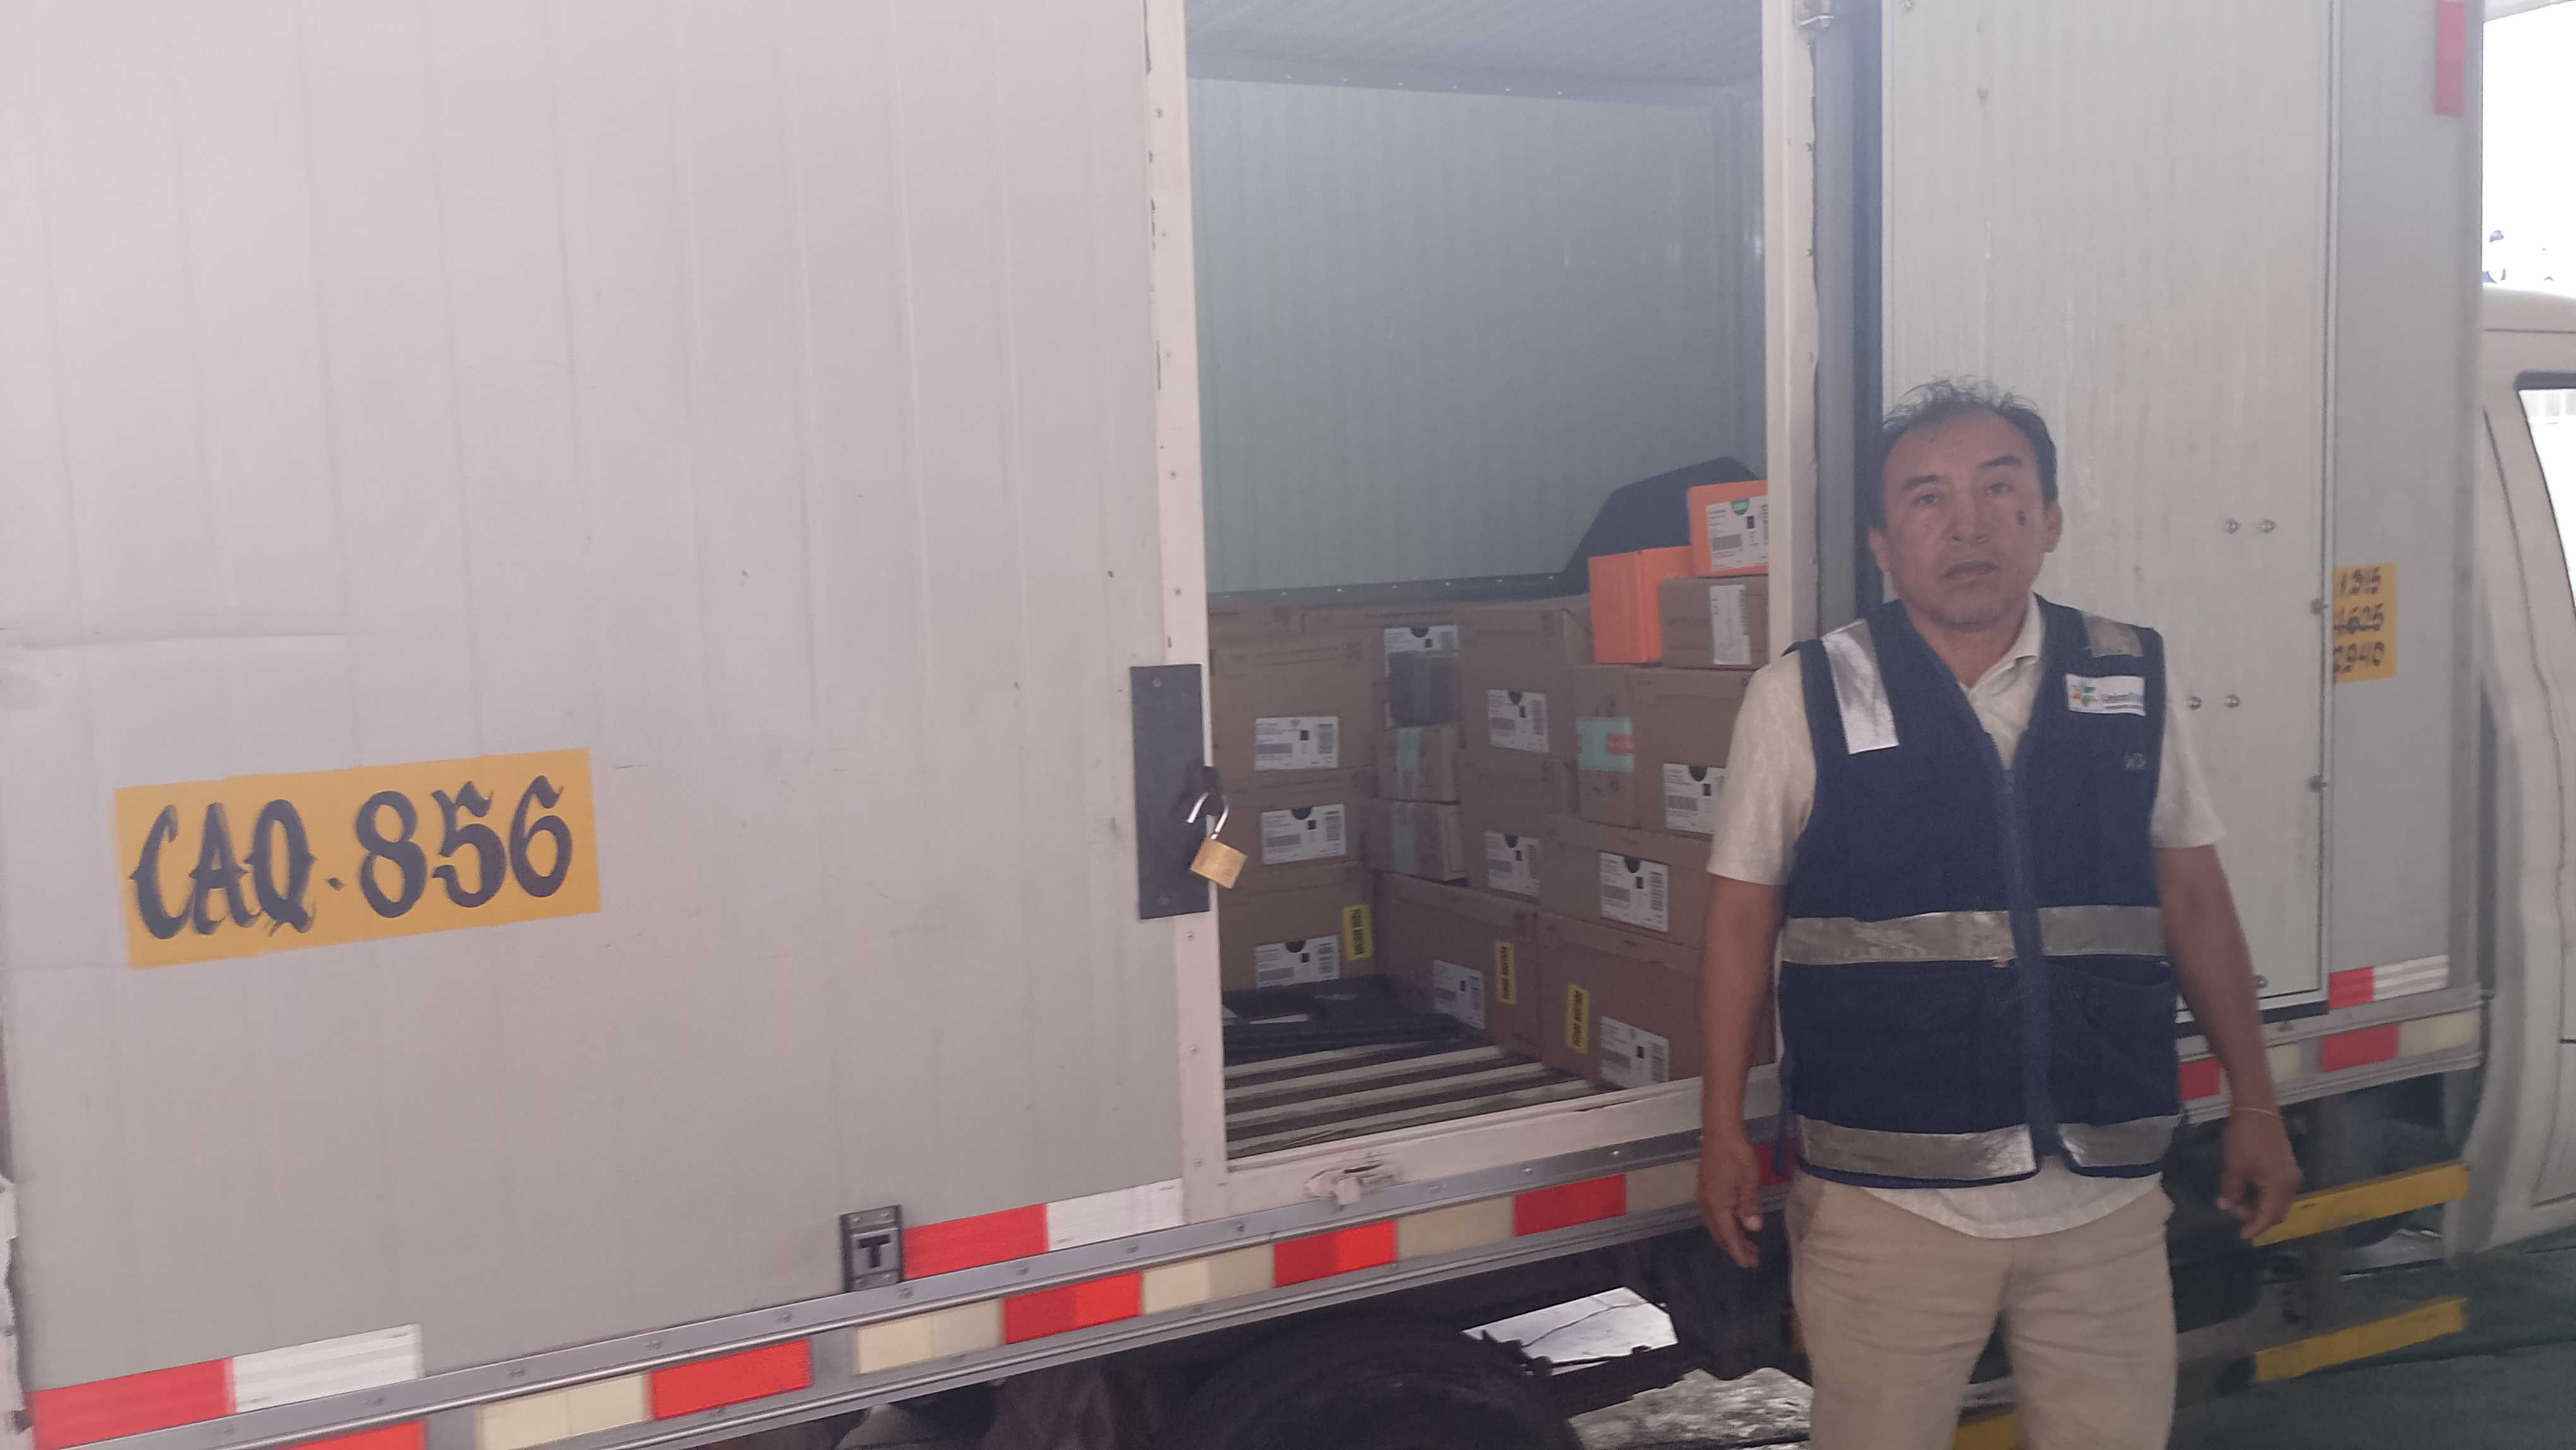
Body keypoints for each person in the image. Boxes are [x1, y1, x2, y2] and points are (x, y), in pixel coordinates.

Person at [1694, 380, 2301, 1449]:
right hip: (1889, 1207)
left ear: (2048, 518)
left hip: (2104, 1198)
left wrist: (2256, 1100)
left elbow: (2194, 897)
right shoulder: (1804, 696)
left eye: (1999, 489)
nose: (1967, 524)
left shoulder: (2127, 673)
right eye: (1926, 498)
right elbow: (1742, 924)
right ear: (1883, 543)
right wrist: (1722, 1127)